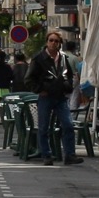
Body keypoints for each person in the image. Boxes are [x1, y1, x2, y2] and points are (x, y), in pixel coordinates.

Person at [30, 30, 81, 165]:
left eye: (56, 41)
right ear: (47, 42)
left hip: (61, 97)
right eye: (51, 40)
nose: (53, 43)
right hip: (46, 96)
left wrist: (68, 87)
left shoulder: (63, 58)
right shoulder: (39, 58)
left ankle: (70, 155)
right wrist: (40, 90)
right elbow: (29, 79)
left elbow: (69, 75)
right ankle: (46, 155)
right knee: (44, 127)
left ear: (60, 44)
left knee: (68, 125)